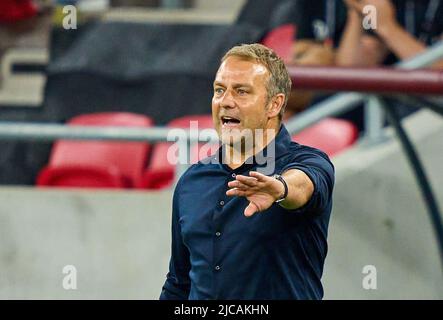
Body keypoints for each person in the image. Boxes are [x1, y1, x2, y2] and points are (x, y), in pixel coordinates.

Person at [159, 43, 335, 300]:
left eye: (241, 92)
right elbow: (179, 283)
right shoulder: (191, 181)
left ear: (274, 105)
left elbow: (303, 184)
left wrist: (280, 189)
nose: (226, 102)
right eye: (220, 90)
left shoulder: (310, 162)